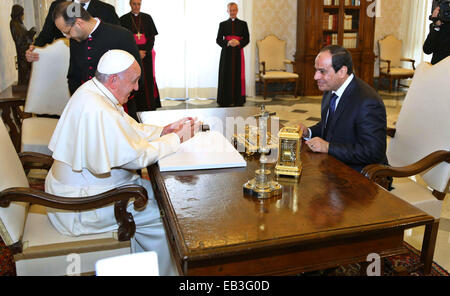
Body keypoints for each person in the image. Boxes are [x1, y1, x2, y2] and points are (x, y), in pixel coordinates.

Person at [45, 49, 200, 276]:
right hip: (80, 206)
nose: (137, 88)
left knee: (163, 196)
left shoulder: (96, 91)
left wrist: (164, 131)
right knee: (168, 214)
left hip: (88, 189)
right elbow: (134, 157)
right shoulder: (96, 106)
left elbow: (128, 129)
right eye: (134, 81)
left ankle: (140, 266)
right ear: (114, 79)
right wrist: (176, 138)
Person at [27, 2, 143, 120]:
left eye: (66, 31)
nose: (67, 37)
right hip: (87, 111)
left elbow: (137, 78)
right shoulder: (75, 39)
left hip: (119, 112)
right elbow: (73, 76)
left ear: (79, 23)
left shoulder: (122, 36)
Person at [297, 45, 388, 173]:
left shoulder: (368, 102)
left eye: (322, 71)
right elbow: (330, 126)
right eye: (316, 70)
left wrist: (329, 147)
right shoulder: (331, 89)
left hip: (361, 175)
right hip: (333, 165)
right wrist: (308, 132)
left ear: (342, 72)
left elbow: (373, 152)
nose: (315, 77)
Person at [120, 0, 161, 111]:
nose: (137, 6)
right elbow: (123, 40)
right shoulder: (123, 19)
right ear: (130, 4)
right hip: (131, 56)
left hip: (146, 56)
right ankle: (134, 107)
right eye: (134, 4)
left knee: (147, 80)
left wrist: (145, 51)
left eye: (139, 4)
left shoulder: (147, 18)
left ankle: (149, 106)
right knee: (133, 80)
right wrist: (136, 53)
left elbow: (152, 38)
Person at [31, 0, 120, 48]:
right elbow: (46, 35)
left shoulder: (107, 9)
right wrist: (34, 49)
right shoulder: (58, 6)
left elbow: (116, 37)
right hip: (66, 62)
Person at [216, 2, 249, 107]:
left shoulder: (243, 24)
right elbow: (218, 40)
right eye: (230, 10)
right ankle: (225, 100)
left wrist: (239, 42)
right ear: (227, 11)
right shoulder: (222, 24)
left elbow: (247, 39)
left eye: (234, 10)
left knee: (237, 75)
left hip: (238, 53)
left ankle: (237, 100)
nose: (232, 12)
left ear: (237, 10)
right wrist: (228, 42)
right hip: (226, 54)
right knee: (226, 75)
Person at [9, 4, 36, 85]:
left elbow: (24, 35)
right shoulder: (13, 23)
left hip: (26, 49)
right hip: (22, 51)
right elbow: (18, 39)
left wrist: (30, 33)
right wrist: (29, 34)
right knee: (24, 70)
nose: (22, 15)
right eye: (21, 13)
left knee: (28, 70)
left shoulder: (20, 24)